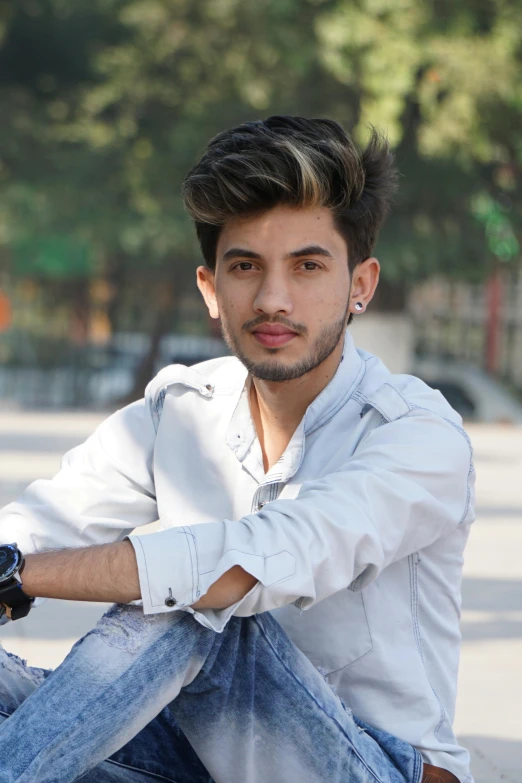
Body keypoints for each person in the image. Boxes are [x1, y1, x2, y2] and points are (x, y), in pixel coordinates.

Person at [0, 116, 474, 783]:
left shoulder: (416, 433)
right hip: (196, 759)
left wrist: (18, 575)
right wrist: (9, 557)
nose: (273, 299)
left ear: (361, 284)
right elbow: (33, 523)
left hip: (369, 768)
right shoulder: (182, 409)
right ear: (210, 290)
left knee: (197, 601)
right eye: (245, 266)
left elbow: (245, 563)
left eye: (308, 266)